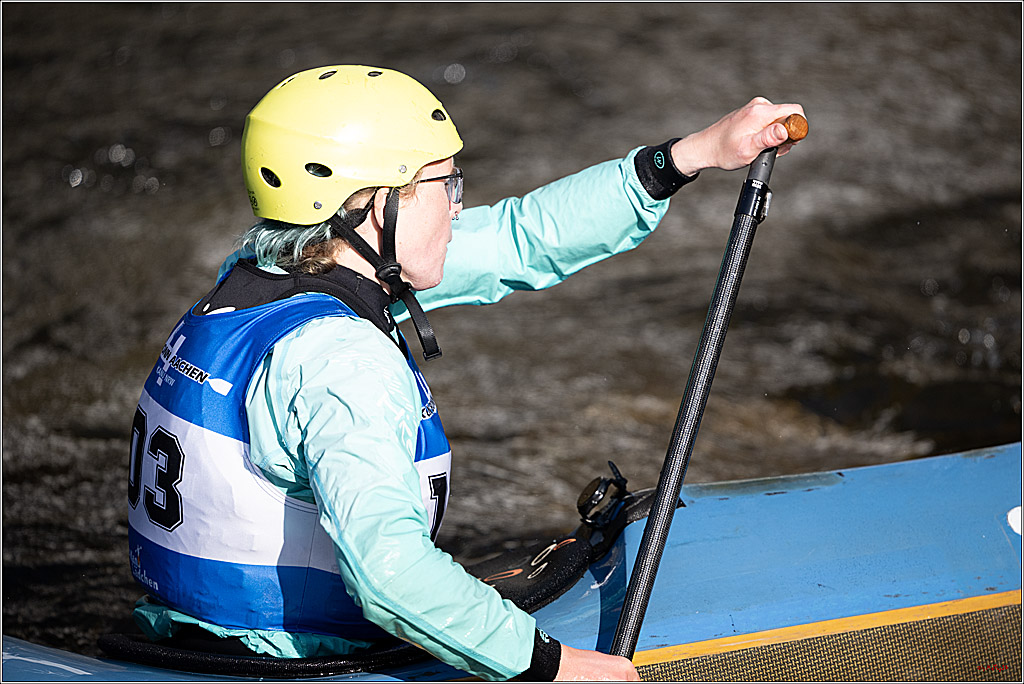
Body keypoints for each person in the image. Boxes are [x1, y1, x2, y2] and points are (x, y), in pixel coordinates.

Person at [126, 64, 804, 681]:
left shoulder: (258, 280)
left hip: (177, 643)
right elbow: (390, 578)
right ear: (371, 203)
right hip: (296, 666)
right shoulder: (342, 364)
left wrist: (685, 158)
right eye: (444, 184)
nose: (457, 205)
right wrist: (554, 668)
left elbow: (522, 237)